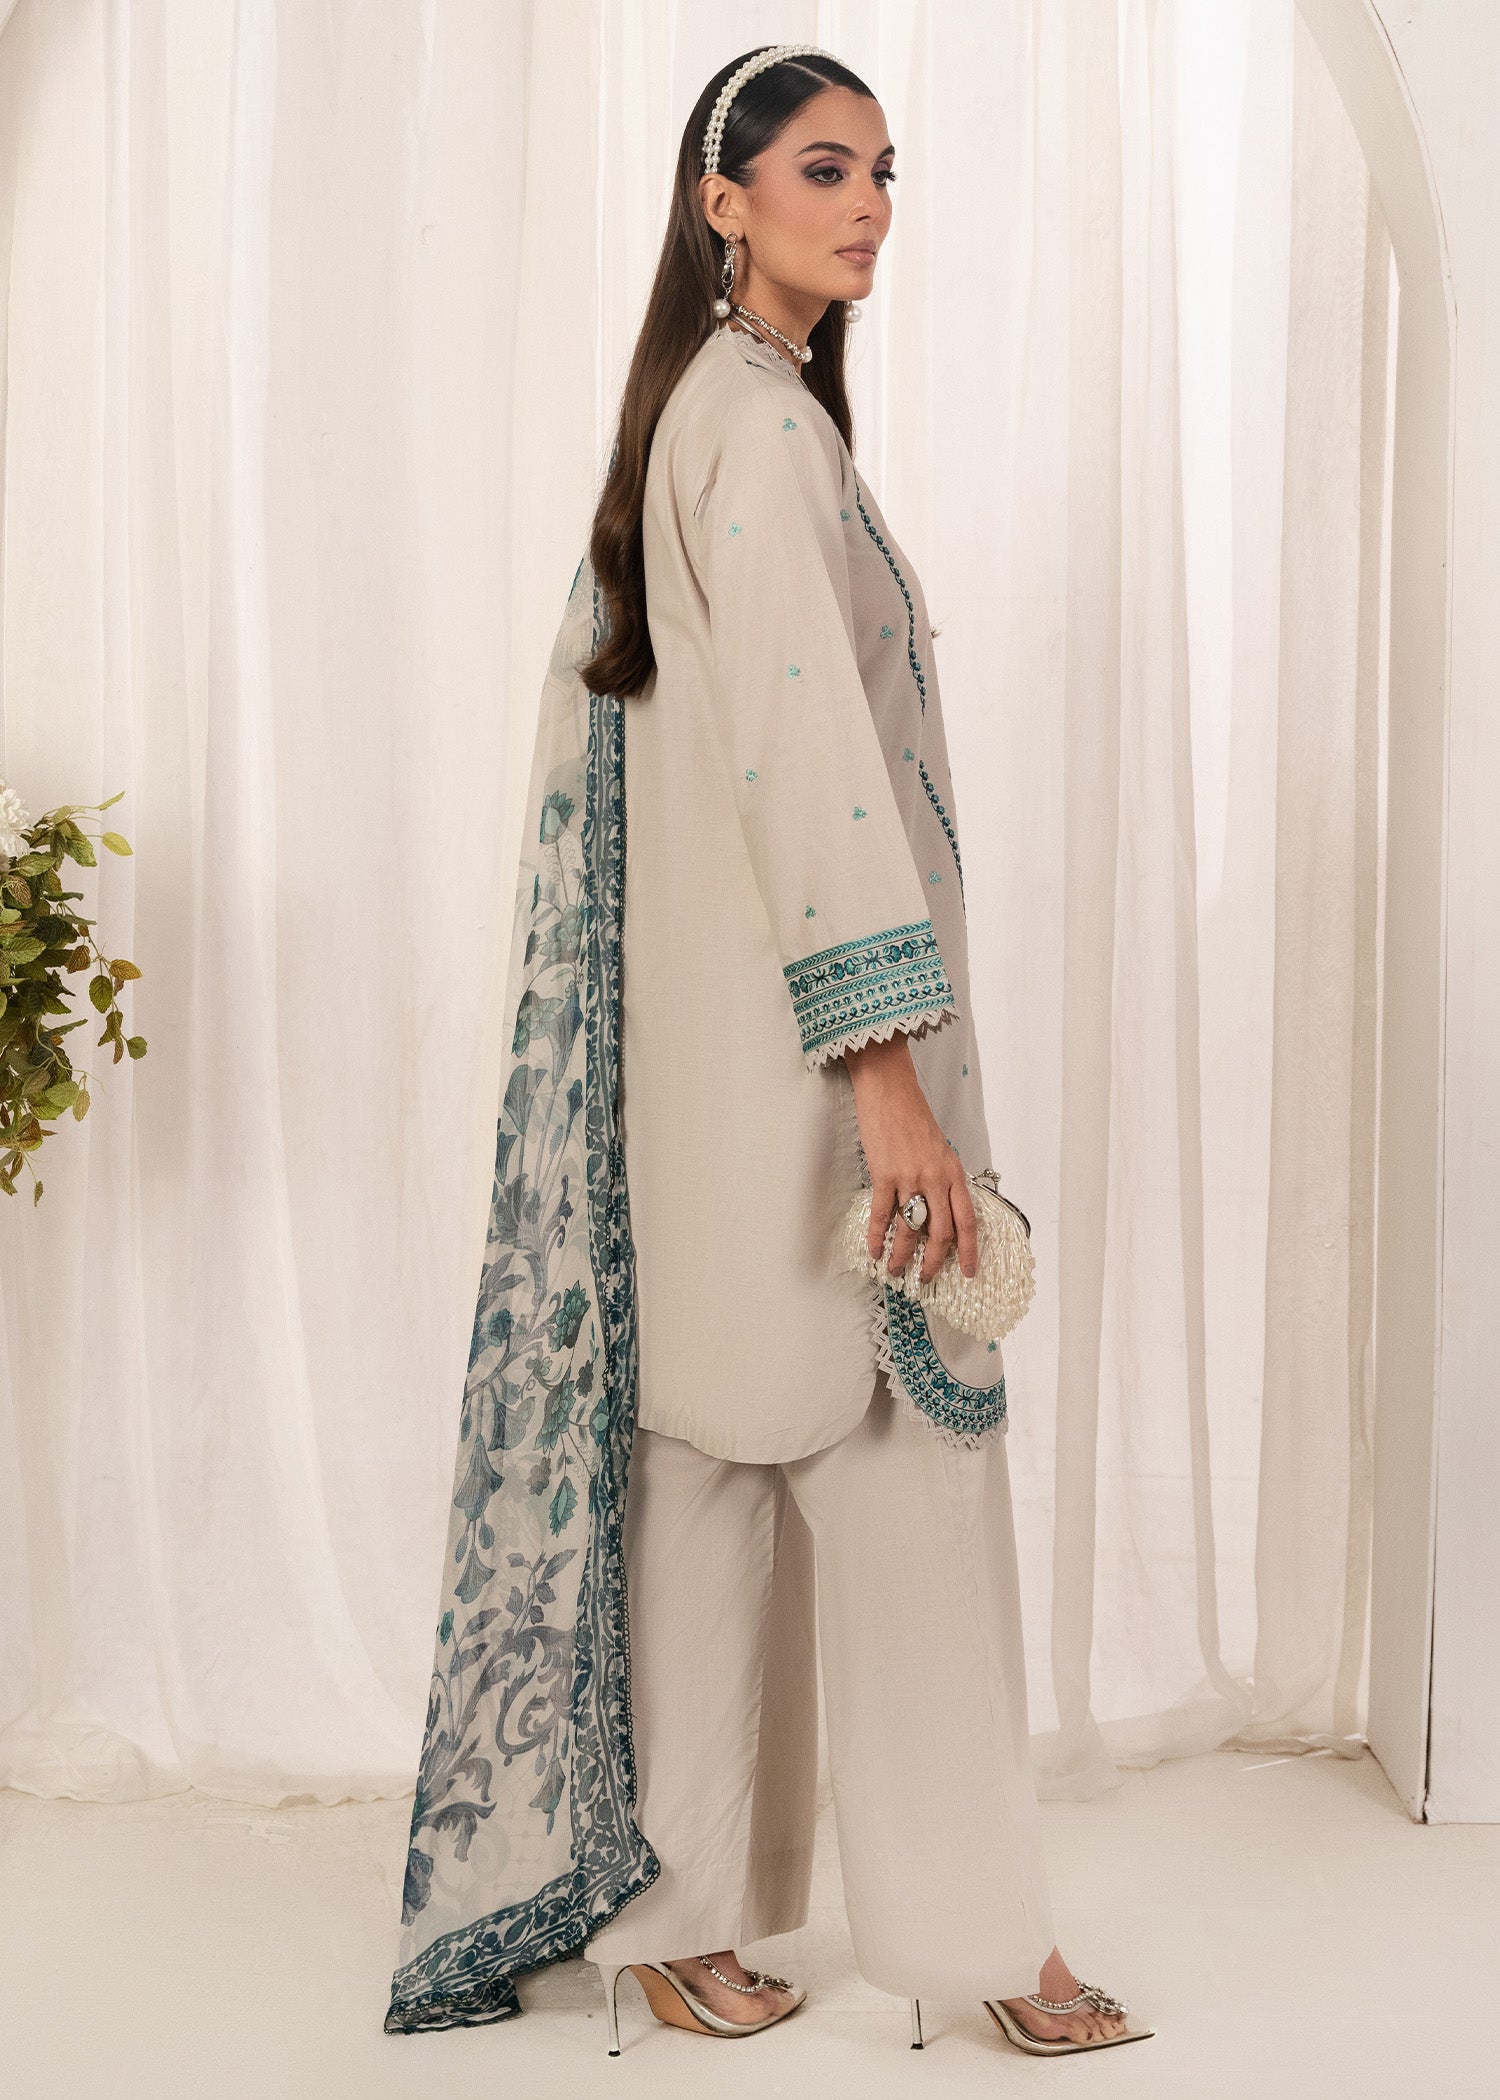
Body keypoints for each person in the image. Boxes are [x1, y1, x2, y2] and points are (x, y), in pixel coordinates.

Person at [383, 44, 1153, 2063]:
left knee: (708, 1470)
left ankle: (674, 1925)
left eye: (886, 171)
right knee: (905, 1480)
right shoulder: (760, 429)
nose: (870, 204)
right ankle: (988, 1947)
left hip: (702, 1084)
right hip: (815, 1080)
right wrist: (890, 1076)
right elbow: (812, 768)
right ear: (721, 201)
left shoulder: (708, 417)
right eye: (825, 169)